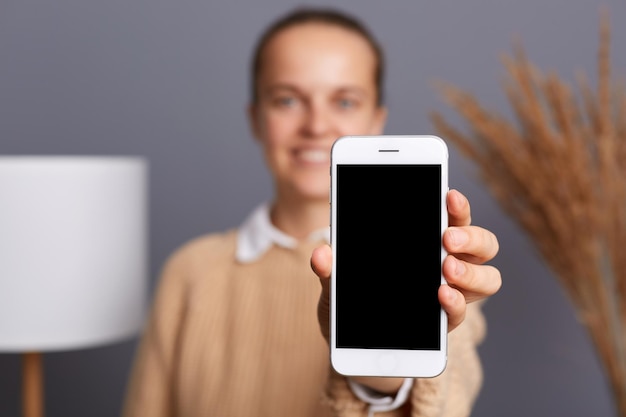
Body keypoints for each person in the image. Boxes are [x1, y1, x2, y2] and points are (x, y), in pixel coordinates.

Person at [121, 6, 501, 417]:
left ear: (377, 120)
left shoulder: (436, 266)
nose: (317, 125)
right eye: (287, 100)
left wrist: (381, 378)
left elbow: (446, 403)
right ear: (256, 119)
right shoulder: (190, 272)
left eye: (344, 100)